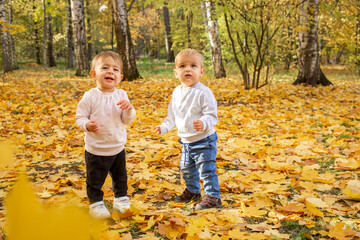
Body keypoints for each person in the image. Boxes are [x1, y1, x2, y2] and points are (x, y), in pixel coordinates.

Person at [154, 48, 221, 210]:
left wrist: (204, 122)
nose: (188, 69)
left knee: (206, 169)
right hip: (186, 141)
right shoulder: (177, 92)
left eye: (193, 66)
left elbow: (212, 115)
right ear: (176, 72)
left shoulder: (203, 93)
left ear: (201, 71)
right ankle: (193, 191)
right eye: (183, 66)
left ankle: (213, 197)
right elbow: (172, 115)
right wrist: (164, 127)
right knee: (186, 168)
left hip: (204, 140)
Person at [75, 51, 136, 219]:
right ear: (94, 74)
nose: (111, 72)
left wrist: (129, 109)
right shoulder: (90, 97)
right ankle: (95, 203)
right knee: (95, 179)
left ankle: (121, 199)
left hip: (117, 147)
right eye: (105, 68)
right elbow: (79, 117)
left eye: (115, 69)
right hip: (96, 149)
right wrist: (86, 125)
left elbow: (126, 120)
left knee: (120, 177)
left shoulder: (121, 95)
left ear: (121, 77)